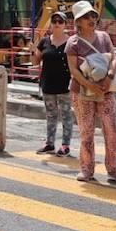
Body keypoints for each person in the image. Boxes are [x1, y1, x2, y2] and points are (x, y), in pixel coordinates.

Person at [64, 0, 116, 186]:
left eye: (93, 15)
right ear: (78, 22)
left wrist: (109, 75)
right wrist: (89, 86)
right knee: (87, 131)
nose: (91, 19)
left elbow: (114, 58)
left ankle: (114, 169)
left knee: (111, 130)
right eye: (86, 17)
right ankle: (86, 168)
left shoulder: (104, 37)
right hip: (82, 91)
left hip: (106, 90)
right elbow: (73, 70)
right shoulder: (72, 42)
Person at [30, 11, 74, 157]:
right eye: (54, 21)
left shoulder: (71, 42)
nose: (56, 24)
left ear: (65, 24)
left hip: (64, 85)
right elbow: (35, 62)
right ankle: (49, 143)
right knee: (51, 115)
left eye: (60, 22)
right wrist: (32, 52)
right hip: (48, 84)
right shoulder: (44, 41)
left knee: (66, 115)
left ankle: (65, 145)